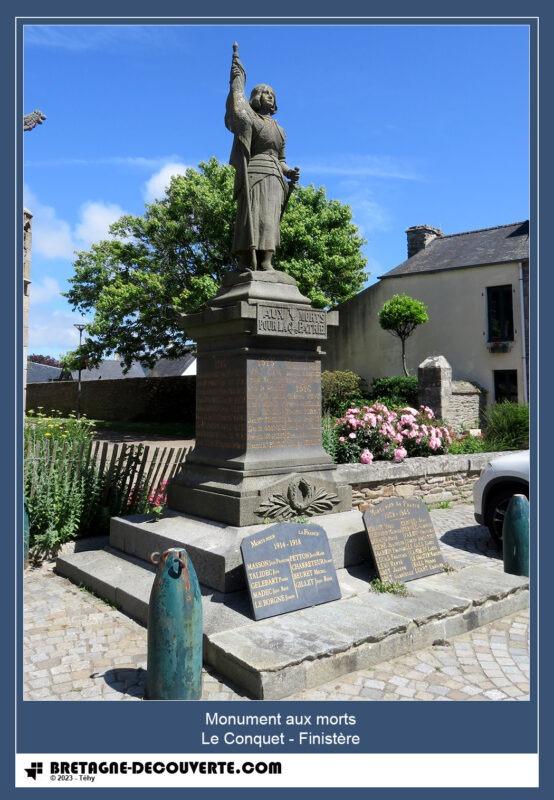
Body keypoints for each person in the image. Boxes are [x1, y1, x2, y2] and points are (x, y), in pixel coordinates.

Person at [225, 43, 299, 271]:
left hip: (275, 177)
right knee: (252, 218)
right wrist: (237, 82)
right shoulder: (252, 120)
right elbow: (238, 111)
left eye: (272, 94)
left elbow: (281, 159)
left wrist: (289, 172)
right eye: (264, 92)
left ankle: (267, 261)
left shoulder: (280, 129)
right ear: (256, 96)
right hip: (254, 172)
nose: (269, 96)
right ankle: (245, 260)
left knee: (270, 220)